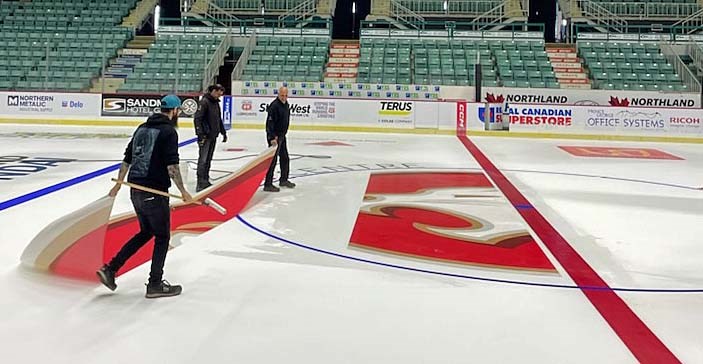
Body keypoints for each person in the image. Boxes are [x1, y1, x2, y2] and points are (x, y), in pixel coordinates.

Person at [97, 95, 193, 299]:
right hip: (154, 191)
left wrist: (118, 185)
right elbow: (172, 166)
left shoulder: (142, 128)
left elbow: (127, 158)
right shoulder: (168, 131)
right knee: (162, 236)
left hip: (135, 190)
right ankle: (155, 284)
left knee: (146, 232)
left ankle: (110, 269)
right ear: (175, 111)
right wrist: (183, 191)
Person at [194, 84, 227, 192]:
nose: (220, 95)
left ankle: (205, 179)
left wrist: (223, 131)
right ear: (213, 91)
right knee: (202, 160)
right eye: (218, 92)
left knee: (208, 159)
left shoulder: (216, 103)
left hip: (213, 135)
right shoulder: (204, 102)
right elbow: (197, 119)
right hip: (205, 136)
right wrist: (200, 133)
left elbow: (218, 119)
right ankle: (200, 182)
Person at [264, 86, 296, 192]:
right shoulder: (274, 106)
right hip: (275, 137)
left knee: (285, 158)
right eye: (282, 95)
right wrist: (271, 137)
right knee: (272, 161)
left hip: (282, 136)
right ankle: (268, 184)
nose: (284, 97)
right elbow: (269, 123)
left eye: (286, 95)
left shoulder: (286, 104)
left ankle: (283, 179)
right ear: (278, 94)